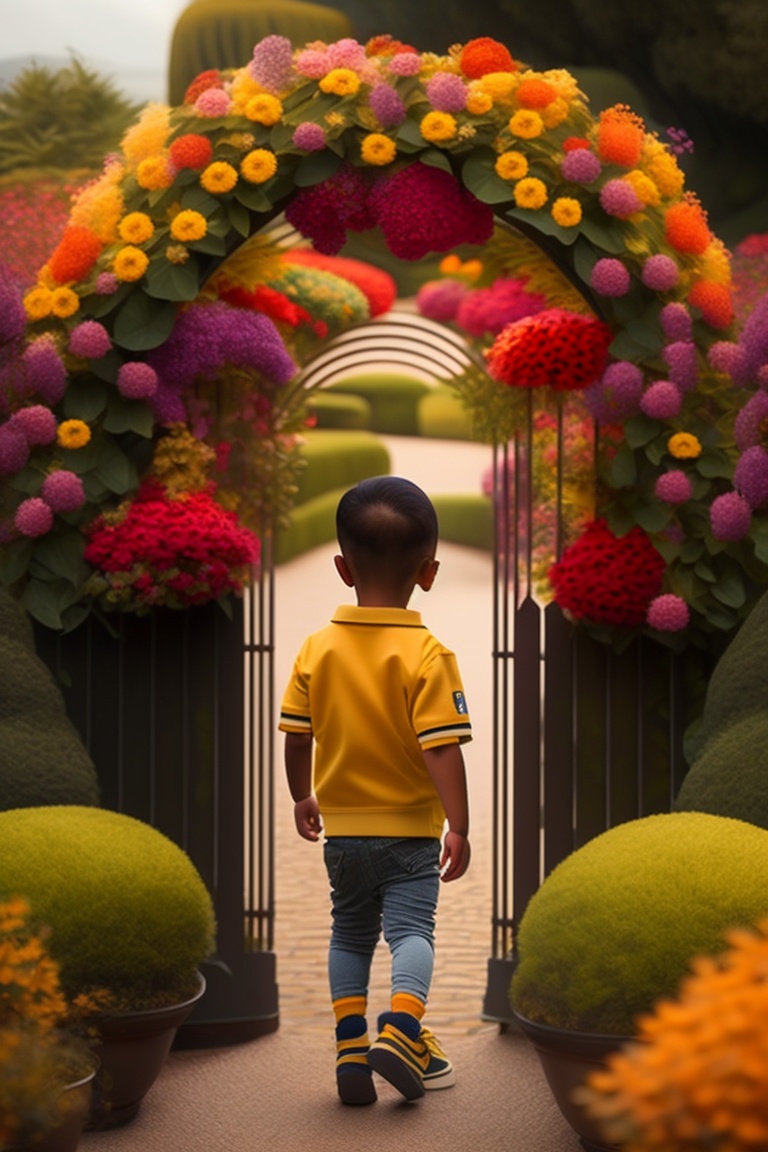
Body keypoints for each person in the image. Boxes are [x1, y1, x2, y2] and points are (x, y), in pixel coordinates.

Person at [279, 475, 472, 1106]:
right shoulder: (428, 655)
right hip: (409, 831)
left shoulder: (317, 649)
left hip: (343, 833)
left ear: (341, 567)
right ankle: (405, 1028)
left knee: (349, 934)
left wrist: (302, 795)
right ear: (429, 571)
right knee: (412, 932)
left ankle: (350, 1046)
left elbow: (296, 735)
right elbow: (439, 747)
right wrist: (459, 825)